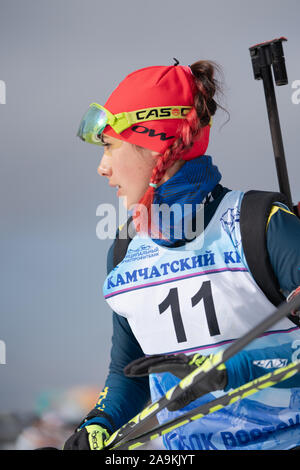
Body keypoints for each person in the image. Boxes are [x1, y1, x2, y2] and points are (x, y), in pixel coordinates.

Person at [64, 60, 300, 451]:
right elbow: (131, 374)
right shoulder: (125, 254)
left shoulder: (262, 225)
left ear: (155, 142)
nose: (102, 167)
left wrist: (231, 371)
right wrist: (100, 422)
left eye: (109, 145)